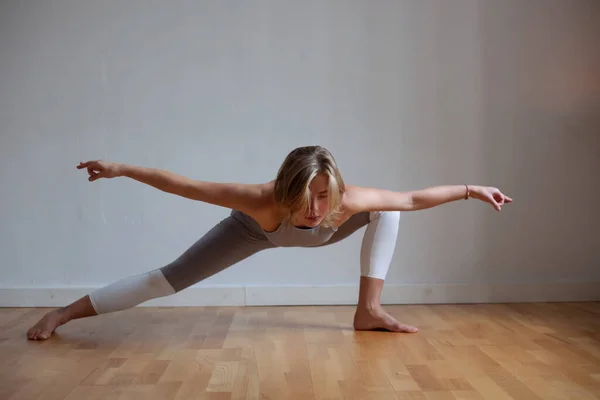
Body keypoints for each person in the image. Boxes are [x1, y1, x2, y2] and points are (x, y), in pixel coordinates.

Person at [27, 145, 512, 340]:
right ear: (285, 191)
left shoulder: (345, 201)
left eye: (324, 196)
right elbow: (183, 184)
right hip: (251, 234)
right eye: (305, 198)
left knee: (388, 209)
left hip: (318, 242)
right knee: (166, 281)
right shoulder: (260, 202)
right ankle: (64, 313)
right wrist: (121, 169)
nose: (316, 209)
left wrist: (471, 190)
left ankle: (369, 311)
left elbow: (411, 198)